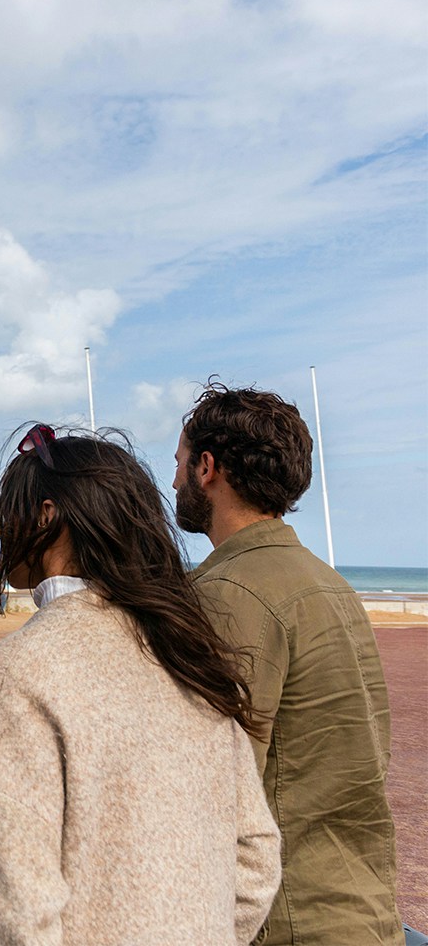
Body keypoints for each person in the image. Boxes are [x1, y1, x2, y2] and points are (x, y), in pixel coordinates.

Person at [0, 425, 280, 946]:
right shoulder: (188, 655)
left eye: (11, 509)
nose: (2, 529)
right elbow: (255, 855)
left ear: (47, 516)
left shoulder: (23, 671)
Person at [175, 383, 402, 945]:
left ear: (208, 468)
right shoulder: (332, 585)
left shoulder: (227, 595)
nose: (173, 480)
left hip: (286, 921)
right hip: (360, 911)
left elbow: (208, 796)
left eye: (178, 463)